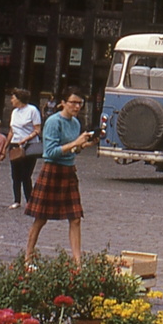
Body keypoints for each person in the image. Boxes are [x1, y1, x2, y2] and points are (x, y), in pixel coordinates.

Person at [25, 87, 97, 263]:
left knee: (75, 218)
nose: (77, 106)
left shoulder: (75, 123)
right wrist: (75, 143)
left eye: (80, 103)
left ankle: (77, 262)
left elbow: (72, 150)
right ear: (63, 103)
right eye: (73, 102)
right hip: (52, 170)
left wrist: (82, 146)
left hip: (68, 171)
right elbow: (50, 152)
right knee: (41, 218)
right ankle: (27, 258)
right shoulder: (53, 122)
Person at [5, 88, 42, 210]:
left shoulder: (32, 110)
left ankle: (30, 201)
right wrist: (4, 147)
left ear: (19, 98)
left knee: (26, 175)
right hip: (15, 145)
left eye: (13, 98)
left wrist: (26, 139)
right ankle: (16, 200)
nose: (11, 100)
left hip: (28, 146)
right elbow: (12, 131)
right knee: (15, 174)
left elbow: (37, 130)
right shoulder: (14, 112)